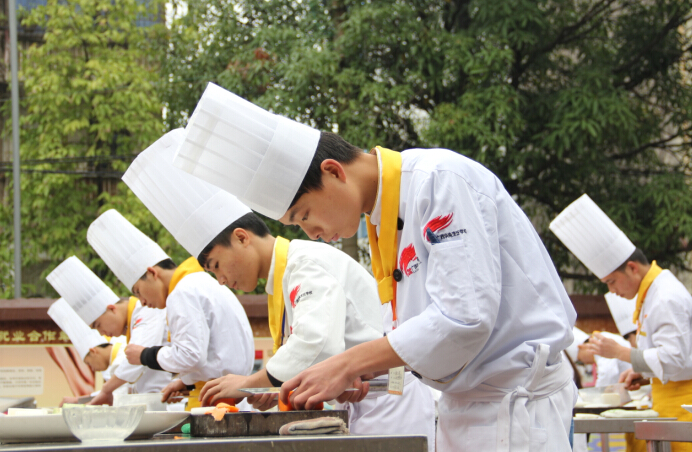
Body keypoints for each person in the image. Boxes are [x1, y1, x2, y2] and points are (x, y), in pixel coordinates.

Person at [172, 82, 577, 451]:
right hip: (467, 409)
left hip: (516, 411)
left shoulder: (439, 180)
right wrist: (368, 375)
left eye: (305, 215)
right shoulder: (382, 219)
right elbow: (418, 338)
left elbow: (463, 319)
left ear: (333, 172)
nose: (313, 233)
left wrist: (349, 363)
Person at [123, 129, 436, 447]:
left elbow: (316, 341)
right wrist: (271, 387)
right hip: (362, 404)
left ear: (242, 238)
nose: (221, 280)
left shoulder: (304, 263)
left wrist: (252, 382)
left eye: (216, 265)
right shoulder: (285, 278)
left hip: (390, 403)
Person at [551, 193, 692, 452]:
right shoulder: (654, 293)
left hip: (682, 405)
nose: (612, 291)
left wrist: (620, 353)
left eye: (611, 282)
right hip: (668, 402)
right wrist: (644, 374)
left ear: (632, 268)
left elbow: (674, 359)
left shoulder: (665, 296)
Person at [87, 208, 254, 411]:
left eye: (139, 291)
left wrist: (145, 355)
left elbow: (190, 356)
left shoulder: (181, 292)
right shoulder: (199, 282)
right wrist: (186, 382)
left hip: (217, 402)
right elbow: (215, 352)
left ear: (152, 273)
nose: (142, 302)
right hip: (226, 394)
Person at [46, 256, 171, 404]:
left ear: (111, 309)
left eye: (98, 325)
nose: (101, 333)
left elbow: (136, 359)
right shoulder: (135, 321)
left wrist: (106, 389)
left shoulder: (147, 311)